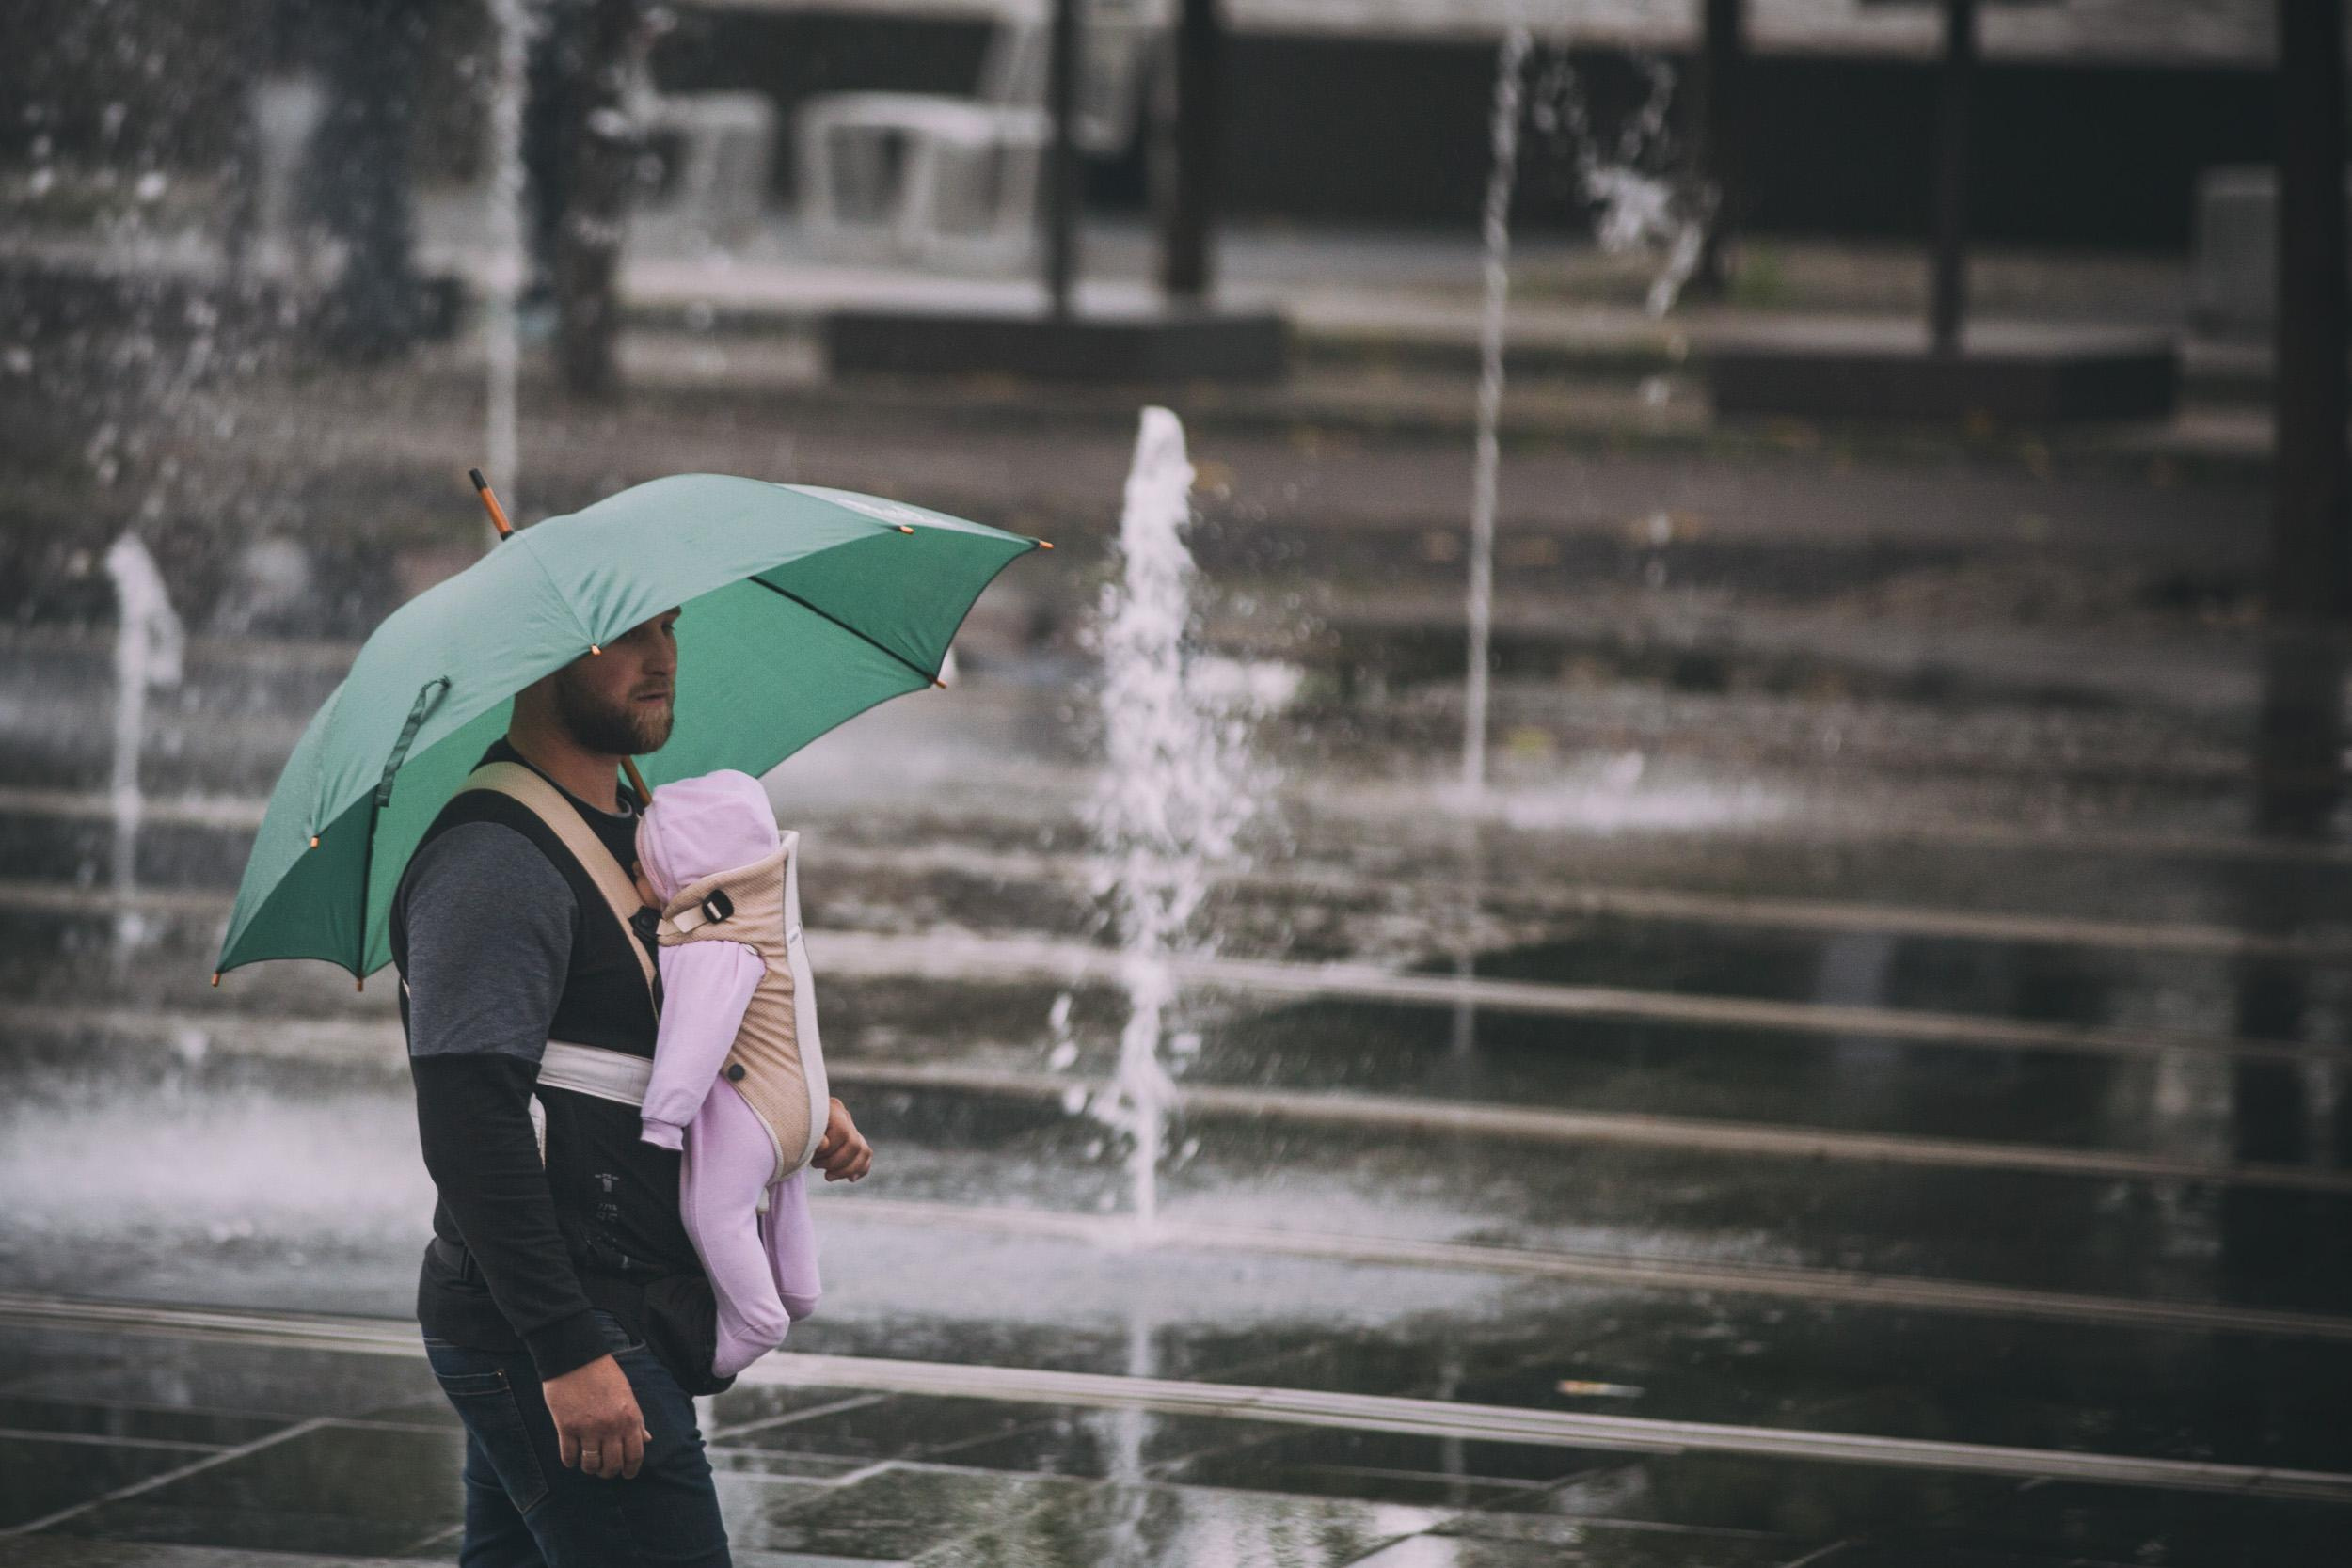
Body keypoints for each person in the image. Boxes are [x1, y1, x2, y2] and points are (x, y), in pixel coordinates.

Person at [389, 607, 874, 1566]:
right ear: (535, 660)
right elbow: (468, 1122)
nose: (661, 660)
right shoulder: (494, 859)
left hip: (596, 1308)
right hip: (562, 1325)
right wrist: (567, 1350)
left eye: (670, 627)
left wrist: (791, 1099)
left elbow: (653, 1033)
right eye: (621, 639)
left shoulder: (636, 838)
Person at [631, 768, 830, 1378]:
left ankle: (754, 1320)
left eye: (644, 868)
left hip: (752, 1115)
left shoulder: (713, 940)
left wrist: (665, 1118)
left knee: (714, 1210)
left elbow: (698, 1033)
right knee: (778, 1191)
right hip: (801, 1106)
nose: (637, 880)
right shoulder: (762, 919)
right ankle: (797, 1288)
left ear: (683, 875)